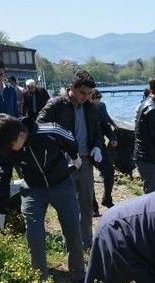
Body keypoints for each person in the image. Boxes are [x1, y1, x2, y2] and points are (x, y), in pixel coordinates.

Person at [0, 114, 85, 283]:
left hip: (62, 185)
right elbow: (2, 179)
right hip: (33, 189)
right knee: (34, 234)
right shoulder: (6, 150)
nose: (7, 153)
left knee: (72, 229)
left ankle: (78, 274)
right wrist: (0, 211)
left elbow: (70, 139)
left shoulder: (49, 130)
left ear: (19, 136)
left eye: (9, 148)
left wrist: (74, 155)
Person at [37, 70, 104, 250]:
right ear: (72, 87)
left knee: (86, 204)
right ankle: (71, 243)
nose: (85, 97)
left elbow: (97, 132)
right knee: (68, 207)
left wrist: (97, 146)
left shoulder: (91, 107)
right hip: (63, 163)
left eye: (89, 94)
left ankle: (87, 241)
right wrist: (62, 150)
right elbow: (39, 126)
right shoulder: (56, 104)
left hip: (86, 162)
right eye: (82, 92)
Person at [90, 89, 118, 213]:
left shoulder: (99, 108)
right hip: (83, 148)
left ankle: (107, 198)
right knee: (87, 178)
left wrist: (112, 137)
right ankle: (93, 207)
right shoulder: (78, 108)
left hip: (100, 145)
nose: (97, 102)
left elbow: (105, 125)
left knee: (109, 171)